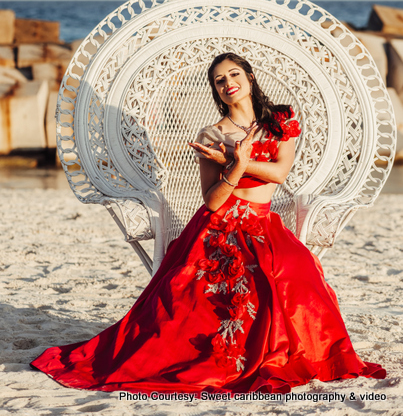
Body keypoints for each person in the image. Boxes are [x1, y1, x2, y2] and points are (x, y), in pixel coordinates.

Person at [30, 52, 386, 394]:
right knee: (206, 292)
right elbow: (212, 199)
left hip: (264, 224)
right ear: (215, 91)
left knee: (296, 271)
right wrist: (233, 166)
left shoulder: (281, 119)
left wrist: (236, 157)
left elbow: (279, 172)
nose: (227, 83)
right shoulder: (211, 134)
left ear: (249, 77)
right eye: (219, 81)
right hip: (220, 226)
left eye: (233, 75)